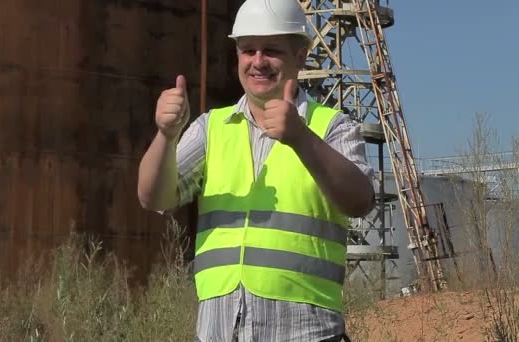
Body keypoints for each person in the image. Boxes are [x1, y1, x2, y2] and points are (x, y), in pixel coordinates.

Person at [137, 0, 375, 340]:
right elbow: (153, 196)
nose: (258, 61)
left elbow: (360, 201)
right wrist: (165, 135)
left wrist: (301, 139)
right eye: (248, 50)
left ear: (301, 55)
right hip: (220, 331)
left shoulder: (330, 128)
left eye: (271, 50)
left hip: (306, 333)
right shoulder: (213, 128)